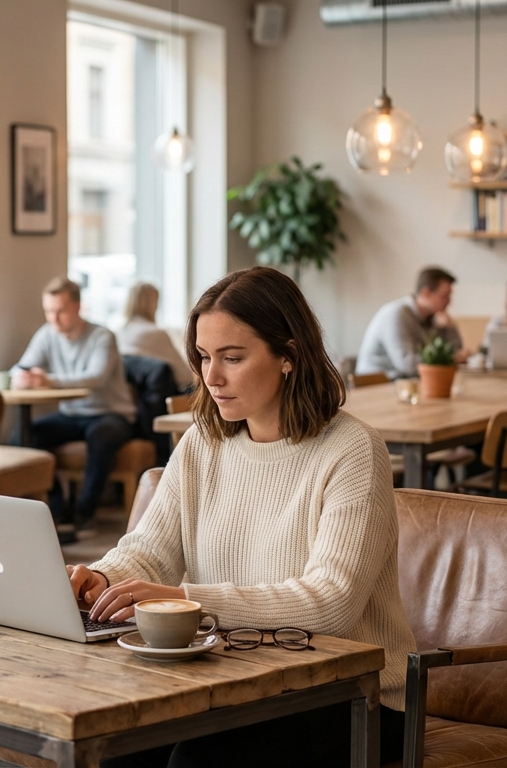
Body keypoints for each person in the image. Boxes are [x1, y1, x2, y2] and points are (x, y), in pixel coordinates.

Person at [68, 266, 413, 767]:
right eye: (205, 357)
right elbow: (149, 552)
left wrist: (183, 599)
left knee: (197, 759)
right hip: (233, 678)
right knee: (114, 746)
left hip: (355, 696)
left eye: (233, 357)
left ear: (288, 355)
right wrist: (100, 578)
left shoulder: (353, 451)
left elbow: (331, 604)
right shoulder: (204, 442)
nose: (212, 377)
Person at [12, 277, 137, 539]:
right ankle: (57, 510)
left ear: (78, 307)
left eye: (60, 311)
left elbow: (96, 377)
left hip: (110, 413)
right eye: (49, 311)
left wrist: (46, 379)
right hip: (72, 415)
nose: (54, 319)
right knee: (26, 435)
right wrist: (23, 377)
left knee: (100, 436)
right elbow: (21, 367)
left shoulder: (102, 336)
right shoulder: (47, 334)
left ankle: (84, 516)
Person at [356, 266, 467, 378]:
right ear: (426, 293)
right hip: (376, 386)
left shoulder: (435, 318)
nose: (449, 302)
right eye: (444, 296)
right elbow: (407, 365)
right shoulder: (397, 314)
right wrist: (451, 358)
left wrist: (449, 328)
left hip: (406, 384)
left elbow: (458, 352)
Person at [118, 282, 193, 389]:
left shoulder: (121, 332)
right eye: (157, 301)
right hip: (162, 400)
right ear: (151, 303)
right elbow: (185, 376)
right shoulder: (155, 333)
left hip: (137, 401)